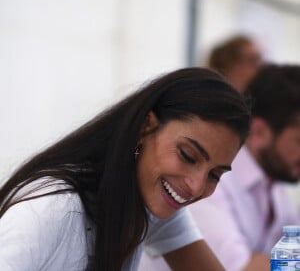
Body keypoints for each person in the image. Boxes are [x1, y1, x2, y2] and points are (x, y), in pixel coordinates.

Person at [0, 68, 251, 271]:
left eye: (214, 175)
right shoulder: (54, 208)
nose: (196, 185)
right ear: (145, 127)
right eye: (188, 155)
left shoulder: (152, 202)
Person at [188, 64, 300, 271]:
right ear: (259, 132)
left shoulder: (276, 186)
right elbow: (241, 269)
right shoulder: (211, 181)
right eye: (298, 141)